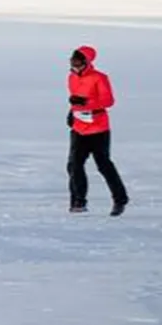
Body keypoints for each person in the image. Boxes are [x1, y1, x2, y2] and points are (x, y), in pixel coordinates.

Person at [65, 45, 129, 216]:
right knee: (74, 165)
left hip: (98, 129)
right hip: (79, 128)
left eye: (78, 62)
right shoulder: (71, 77)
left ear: (87, 62)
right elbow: (74, 100)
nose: (75, 66)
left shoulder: (99, 78)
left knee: (104, 165)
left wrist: (87, 104)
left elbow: (108, 101)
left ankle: (120, 199)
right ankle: (78, 201)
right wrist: (72, 112)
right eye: (73, 62)